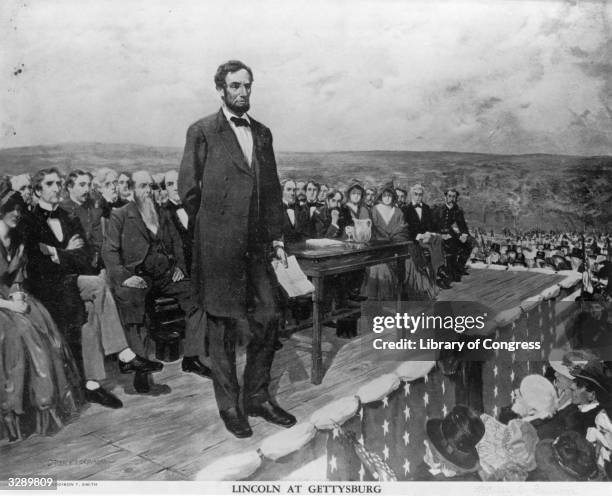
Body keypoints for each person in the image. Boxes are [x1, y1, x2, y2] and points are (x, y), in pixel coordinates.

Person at [178, 60, 296, 438]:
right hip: (218, 250)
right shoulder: (202, 131)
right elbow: (188, 191)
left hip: (258, 250)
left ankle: (257, 397)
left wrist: (276, 237)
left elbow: (273, 190)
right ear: (221, 89)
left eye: (247, 86)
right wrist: (215, 230)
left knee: (270, 317)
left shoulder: (262, 133)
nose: (242, 92)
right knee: (223, 329)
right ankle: (230, 405)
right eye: (234, 86)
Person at [24, 168, 161, 409]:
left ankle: (92, 385)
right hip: (47, 290)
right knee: (97, 287)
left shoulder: (68, 217)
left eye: (58, 182)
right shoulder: (29, 221)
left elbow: (85, 256)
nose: (56, 187)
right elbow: (38, 266)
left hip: (73, 282)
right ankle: (124, 355)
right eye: (50, 184)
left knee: (91, 309)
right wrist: (67, 252)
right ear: (37, 191)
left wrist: (57, 253)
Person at [102, 170, 210, 391]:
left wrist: (179, 267)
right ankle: (141, 368)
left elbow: (177, 244)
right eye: (142, 187)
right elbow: (110, 252)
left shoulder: (162, 213)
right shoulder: (120, 215)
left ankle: (191, 357)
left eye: (150, 187)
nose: (148, 192)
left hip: (166, 274)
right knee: (130, 299)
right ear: (132, 190)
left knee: (197, 297)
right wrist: (125, 277)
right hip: (137, 276)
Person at [0, 179, 82, 442]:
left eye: (19, 208)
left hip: (12, 296)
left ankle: (45, 407)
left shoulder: (17, 240)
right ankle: (14, 414)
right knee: (18, 331)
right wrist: (10, 304)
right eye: (9, 208)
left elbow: (17, 277)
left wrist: (18, 293)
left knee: (43, 323)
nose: (16, 213)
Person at [366, 181, 409, 300]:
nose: (387, 198)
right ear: (381, 196)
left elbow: (403, 231)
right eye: (385, 195)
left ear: (393, 197)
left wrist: (392, 239)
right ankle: (376, 300)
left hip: (395, 251)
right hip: (378, 251)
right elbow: (372, 230)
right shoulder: (374, 210)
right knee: (377, 268)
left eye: (390, 195)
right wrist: (384, 239)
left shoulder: (398, 212)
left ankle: (390, 301)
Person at [61, 170, 104, 271]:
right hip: (71, 265)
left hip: (95, 262)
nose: (87, 189)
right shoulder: (60, 209)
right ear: (70, 187)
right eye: (82, 185)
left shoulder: (94, 208)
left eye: (88, 185)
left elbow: (99, 239)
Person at [434, 188, 472, 282]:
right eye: (449, 196)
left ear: (456, 198)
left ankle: (459, 268)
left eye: (454, 197)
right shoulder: (439, 209)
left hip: (455, 235)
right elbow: (433, 225)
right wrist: (440, 235)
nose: (451, 198)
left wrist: (464, 235)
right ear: (446, 197)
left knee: (469, 244)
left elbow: (463, 226)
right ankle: (452, 273)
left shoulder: (458, 210)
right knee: (452, 246)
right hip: (441, 235)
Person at [162, 169, 194, 275]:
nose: (176, 188)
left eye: (179, 182)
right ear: (165, 189)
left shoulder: (194, 208)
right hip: (179, 271)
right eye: (170, 184)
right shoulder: (161, 213)